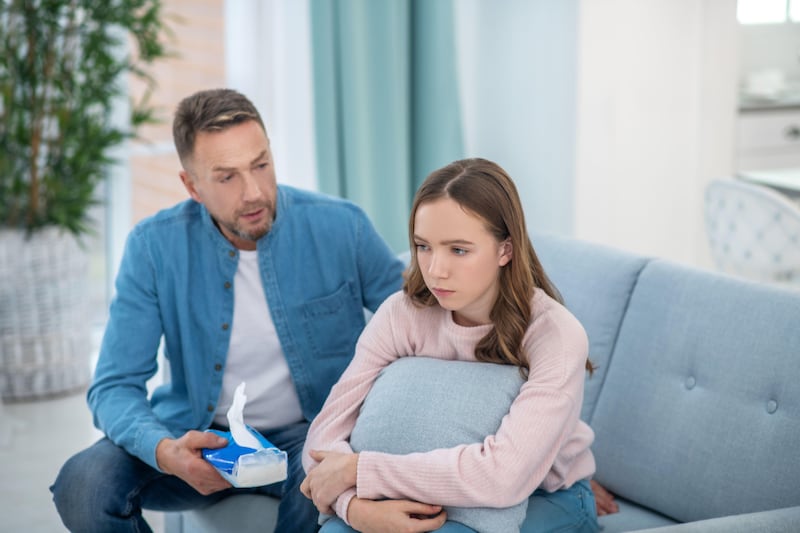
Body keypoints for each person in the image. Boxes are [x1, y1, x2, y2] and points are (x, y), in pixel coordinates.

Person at [50, 88, 405, 533]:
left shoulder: (343, 227)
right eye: (227, 177)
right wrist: (164, 449)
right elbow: (114, 385)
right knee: (82, 486)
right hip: (198, 436)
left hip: (308, 438)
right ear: (192, 186)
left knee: (319, 484)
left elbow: (415, 320)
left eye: (261, 164)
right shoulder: (153, 247)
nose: (254, 191)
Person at [300, 157, 600, 532]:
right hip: (415, 491)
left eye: (458, 250)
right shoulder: (401, 313)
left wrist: (362, 470)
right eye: (423, 246)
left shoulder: (554, 334)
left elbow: (503, 476)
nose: (435, 269)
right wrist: (354, 508)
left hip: (543, 496)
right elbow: (323, 438)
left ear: (505, 250)